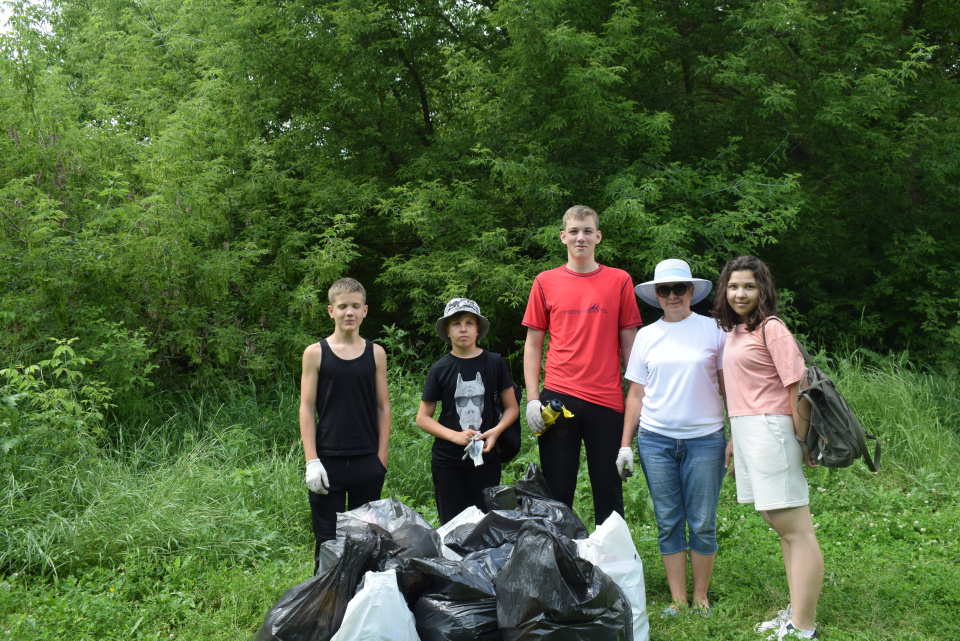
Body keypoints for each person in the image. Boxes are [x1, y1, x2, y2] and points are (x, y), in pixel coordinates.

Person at [712, 255, 823, 640]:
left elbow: (798, 388)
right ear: (724, 290)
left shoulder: (771, 328)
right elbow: (744, 390)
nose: (740, 293)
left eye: (749, 286)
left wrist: (804, 439)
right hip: (748, 431)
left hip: (772, 430)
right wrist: (733, 438)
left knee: (796, 529)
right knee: (782, 527)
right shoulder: (736, 331)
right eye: (733, 286)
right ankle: (797, 613)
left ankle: (803, 627)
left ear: (763, 290)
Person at [616, 258, 727, 616]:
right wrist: (625, 444)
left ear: (692, 291)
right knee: (668, 519)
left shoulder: (714, 329)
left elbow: (731, 388)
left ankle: (701, 597)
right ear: (657, 295)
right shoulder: (647, 336)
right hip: (655, 440)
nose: (673, 295)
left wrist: (736, 437)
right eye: (665, 289)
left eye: (680, 288)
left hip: (705, 440)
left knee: (703, 520)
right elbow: (636, 393)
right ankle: (678, 600)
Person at [522, 205, 642, 526]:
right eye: (574, 231)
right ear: (563, 237)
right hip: (558, 402)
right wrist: (533, 398)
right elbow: (534, 344)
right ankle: (560, 566)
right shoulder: (545, 282)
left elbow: (629, 344)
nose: (581, 237)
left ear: (598, 237)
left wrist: (638, 399)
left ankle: (610, 568)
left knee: (610, 494)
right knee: (556, 495)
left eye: (588, 231)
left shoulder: (619, 281)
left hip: (608, 403)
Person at [299, 277, 391, 574]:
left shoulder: (375, 353)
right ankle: (323, 608)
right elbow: (307, 407)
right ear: (330, 311)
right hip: (328, 461)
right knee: (327, 539)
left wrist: (381, 460)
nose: (348, 312)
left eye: (355, 306)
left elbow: (382, 406)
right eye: (342, 307)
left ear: (365, 310)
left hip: (367, 458)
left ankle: (361, 606)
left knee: (364, 539)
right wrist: (311, 460)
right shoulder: (315, 353)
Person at [417, 298, 520, 525]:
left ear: (478, 328)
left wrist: (496, 431)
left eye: (469, 323)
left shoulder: (494, 363)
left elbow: (512, 408)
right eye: (456, 323)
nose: (463, 328)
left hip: (486, 457)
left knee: (485, 526)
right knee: (452, 527)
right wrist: (454, 436)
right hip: (447, 461)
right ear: (447, 330)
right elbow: (423, 418)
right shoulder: (440, 369)